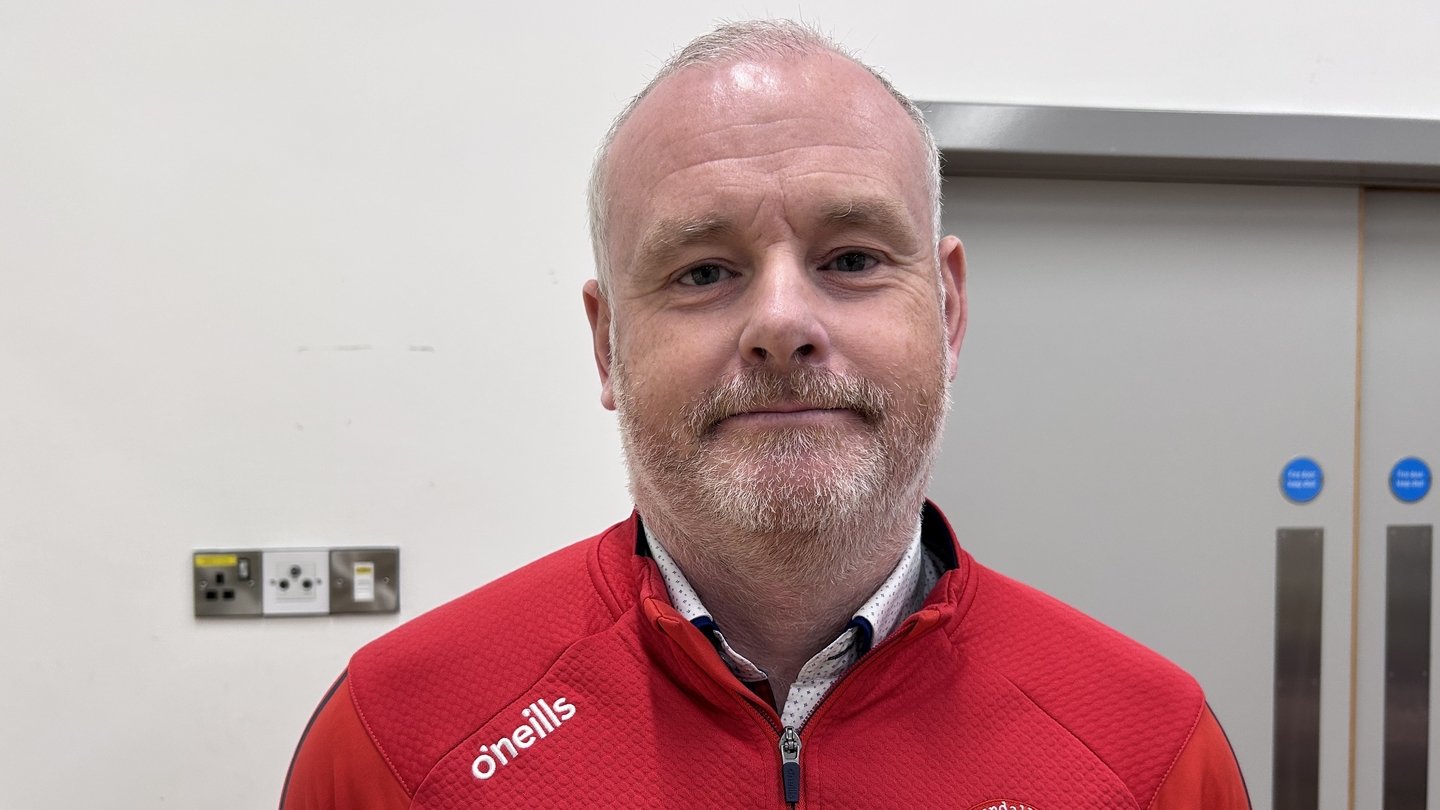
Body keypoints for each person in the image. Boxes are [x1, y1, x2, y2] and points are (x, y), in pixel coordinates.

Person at [281, 20, 1250, 809]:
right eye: (704, 272)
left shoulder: (1150, 751)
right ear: (608, 344)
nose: (782, 323)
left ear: (948, 312)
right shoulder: (398, 743)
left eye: (853, 259)